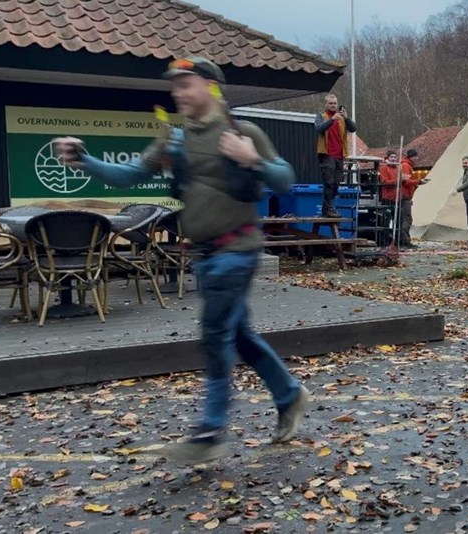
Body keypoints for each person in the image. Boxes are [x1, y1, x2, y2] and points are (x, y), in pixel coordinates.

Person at [52, 57, 311, 463]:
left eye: (186, 85)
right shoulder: (175, 140)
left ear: (209, 87)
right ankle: (290, 395)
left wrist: (252, 158)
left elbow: (285, 179)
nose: (178, 93)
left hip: (237, 251)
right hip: (205, 255)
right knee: (238, 335)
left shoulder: (245, 133)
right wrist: (85, 159)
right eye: (175, 86)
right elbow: (130, 175)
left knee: (215, 336)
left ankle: (210, 430)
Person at [314, 94, 357, 217]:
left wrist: (347, 118)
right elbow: (319, 128)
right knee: (329, 182)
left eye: (335, 103)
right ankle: (327, 209)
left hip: (340, 154)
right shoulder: (321, 116)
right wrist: (332, 120)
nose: (333, 105)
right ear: (326, 104)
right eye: (330, 103)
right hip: (327, 154)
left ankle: (327, 206)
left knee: (337, 183)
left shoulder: (342, 118)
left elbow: (353, 128)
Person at [378, 150, 404, 246]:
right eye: (391, 157)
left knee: (398, 221)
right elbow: (384, 182)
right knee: (386, 221)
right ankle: (384, 242)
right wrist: (395, 181)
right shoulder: (383, 168)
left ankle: (397, 242)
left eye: (394, 157)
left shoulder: (398, 168)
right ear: (388, 158)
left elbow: (401, 182)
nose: (393, 158)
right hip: (388, 197)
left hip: (397, 198)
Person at [397, 149, 422, 248]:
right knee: (407, 219)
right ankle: (405, 241)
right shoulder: (406, 166)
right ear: (412, 157)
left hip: (405, 195)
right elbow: (406, 181)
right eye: (416, 156)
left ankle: (404, 240)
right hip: (405, 195)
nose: (417, 158)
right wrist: (418, 182)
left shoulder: (405, 165)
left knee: (404, 219)